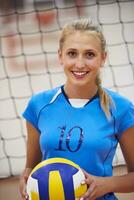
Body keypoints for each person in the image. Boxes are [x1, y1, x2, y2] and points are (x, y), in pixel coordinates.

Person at [19, 18, 134, 200]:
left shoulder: (120, 108)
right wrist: (26, 179)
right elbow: (30, 168)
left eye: (89, 54)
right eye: (72, 53)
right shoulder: (38, 105)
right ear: (60, 56)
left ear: (103, 58)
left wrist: (104, 184)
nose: (80, 64)